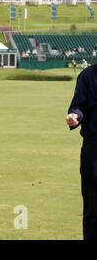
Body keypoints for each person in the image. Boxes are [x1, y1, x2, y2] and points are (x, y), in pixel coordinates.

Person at [66, 62, 97, 240]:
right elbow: (78, 105)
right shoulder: (88, 75)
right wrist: (74, 116)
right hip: (94, 148)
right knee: (93, 207)